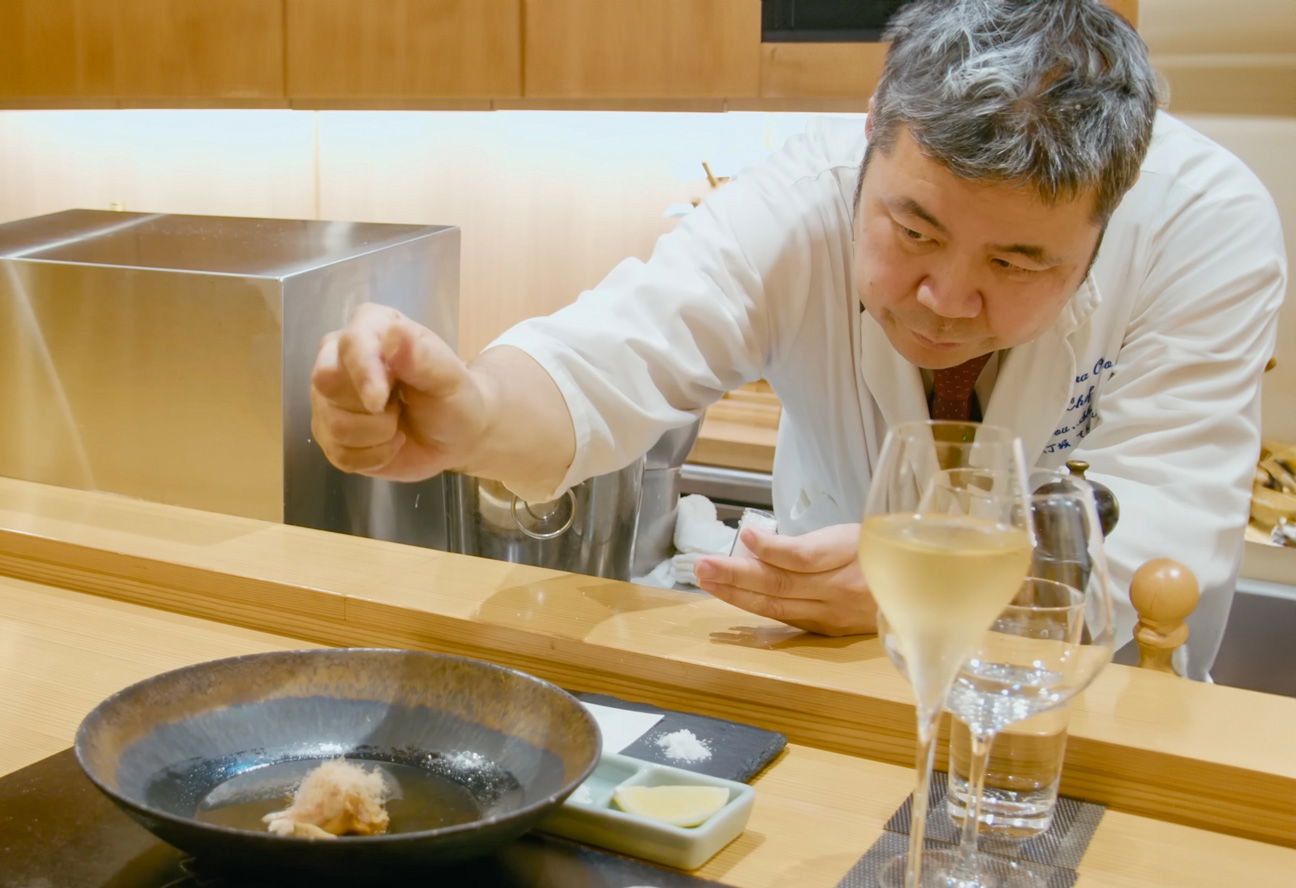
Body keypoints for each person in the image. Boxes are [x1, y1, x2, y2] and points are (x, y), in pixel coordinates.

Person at [310, 0, 1286, 681]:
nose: (946, 299)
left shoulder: (1202, 224)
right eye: (914, 231)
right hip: (834, 684)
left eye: (1018, 264)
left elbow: (1166, 520)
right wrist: (472, 414)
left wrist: (926, 576)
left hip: (1076, 699)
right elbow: (609, 358)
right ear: (872, 133)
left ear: (1107, 217)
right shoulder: (798, 198)